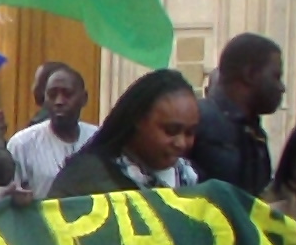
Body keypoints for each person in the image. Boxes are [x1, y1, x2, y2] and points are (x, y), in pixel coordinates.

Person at [46, 69, 201, 198]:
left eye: (190, 133)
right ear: (138, 120)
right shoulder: (85, 179)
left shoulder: (190, 180)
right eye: (171, 131)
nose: (181, 142)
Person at [191, 31, 284, 194]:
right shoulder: (196, 121)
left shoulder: (254, 134)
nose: (282, 87)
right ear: (250, 75)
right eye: (276, 76)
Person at [5, 64, 96, 200]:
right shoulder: (22, 144)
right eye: (52, 95)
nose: (59, 101)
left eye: (67, 94)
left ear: (84, 98)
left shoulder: (98, 139)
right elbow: (2, 202)